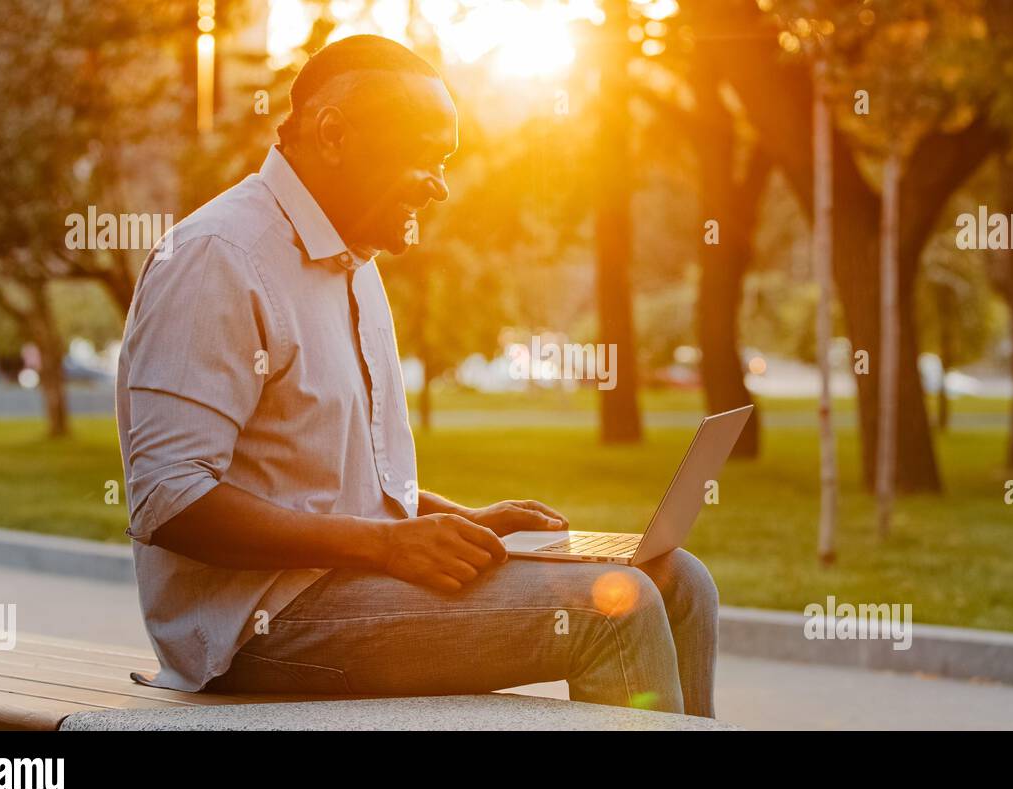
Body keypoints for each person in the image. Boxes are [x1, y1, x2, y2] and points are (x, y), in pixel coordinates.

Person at [115, 35, 718, 716]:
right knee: (613, 606)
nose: (440, 184)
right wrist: (384, 543)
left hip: (351, 582)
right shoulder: (214, 259)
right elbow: (169, 498)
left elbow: (334, 479)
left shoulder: (353, 261)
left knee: (676, 578)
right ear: (334, 133)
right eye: (423, 157)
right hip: (254, 625)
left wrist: (458, 522)